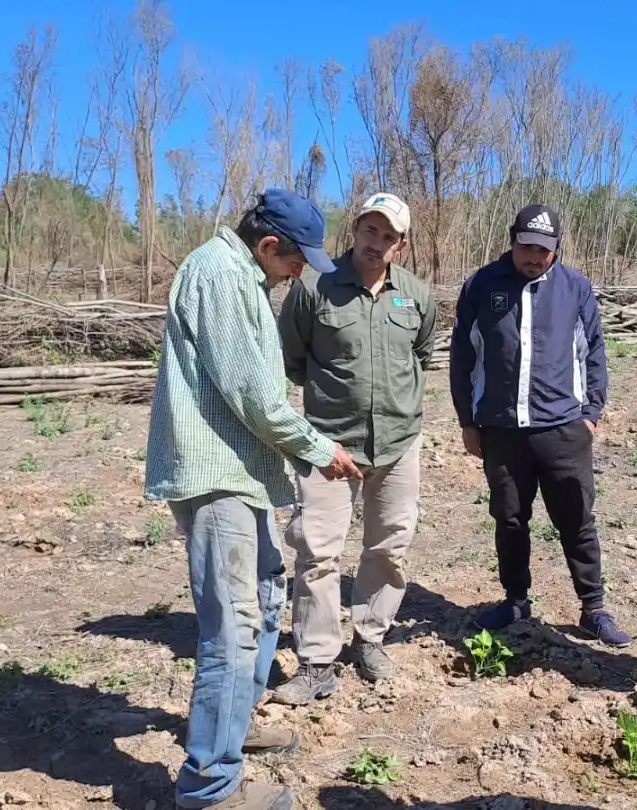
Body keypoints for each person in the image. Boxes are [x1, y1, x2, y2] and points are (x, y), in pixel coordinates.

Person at [145, 189, 362, 810]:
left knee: (266, 604)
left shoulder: (244, 277)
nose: (301, 274)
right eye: (297, 261)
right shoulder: (222, 275)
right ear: (269, 247)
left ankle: (231, 732)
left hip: (243, 474)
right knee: (233, 632)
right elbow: (256, 397)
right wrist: (319, 450)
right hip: (218, 480)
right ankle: (211, 787)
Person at [272, 193, 437, 704]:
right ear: (355, 231)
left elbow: (423, 355)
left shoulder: (416, 296)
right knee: (318, 553)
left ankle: (371, 639)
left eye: (389, 237)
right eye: (370, 231)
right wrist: (324, 423)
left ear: (401, 246)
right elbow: (292, 358)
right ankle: (318, 661)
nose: (377, 243)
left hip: (398, 442)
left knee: (388, 547)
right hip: (328, 445)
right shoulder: (313, 288)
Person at [448, 203, 630, 647]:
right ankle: (515, 600)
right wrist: (468, 421)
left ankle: (593, 608)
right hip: (502, 429)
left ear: (556, 250)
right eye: (526, 247)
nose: (534, 257)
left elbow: (594, 353)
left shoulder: (576, 288)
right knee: (510, 518)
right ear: (512, 241)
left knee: (577, 518)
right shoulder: (482, 285)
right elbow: (463, 357)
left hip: (563, 427)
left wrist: (591, 414)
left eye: (543, 250)